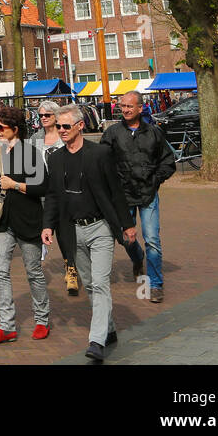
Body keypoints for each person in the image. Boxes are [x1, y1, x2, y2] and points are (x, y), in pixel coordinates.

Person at [41, 105, 135, 363]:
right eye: (57, 126)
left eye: (65, 126)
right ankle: (109, 327)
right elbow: (52, 196)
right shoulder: (55, 158)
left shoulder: (100, 154)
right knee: (90, 284)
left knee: (101, 282)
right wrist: (47, 225)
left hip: (100, 228)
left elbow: (116, 191)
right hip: (71, 231)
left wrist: (127, 225)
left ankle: (96, 340)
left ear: (80, 126)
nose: (60, 130)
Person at [99, 90, 175, 304]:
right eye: (122, 106)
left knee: (152, 240)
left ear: (140, 108)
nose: (125, 110)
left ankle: (155, 284)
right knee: (125, 238)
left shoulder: (154, 133)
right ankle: (137, 258)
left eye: (129, 106)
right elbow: (101, 161)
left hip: (148, 194)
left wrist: (155, 179)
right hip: (123, 196)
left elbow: (168, 161)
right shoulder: (112, 133)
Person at [0, 106, 50, 344]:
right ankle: (7, 326)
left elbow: (43, 187)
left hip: (28, 220)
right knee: (0, 270)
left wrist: (15, 185)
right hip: (4, 222)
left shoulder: (30, 153)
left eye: (1, 127)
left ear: (15, 129)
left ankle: (42, 320)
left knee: (33, 272)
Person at [35, 99, 79, 296]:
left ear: (56, 116)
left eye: (47, 115)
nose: (43, 118)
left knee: (65, 232)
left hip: (65, 192)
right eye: (41, 115)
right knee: (48, 231)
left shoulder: (66, 135)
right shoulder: (35, 138)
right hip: (42, 193)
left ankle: (71, 268)